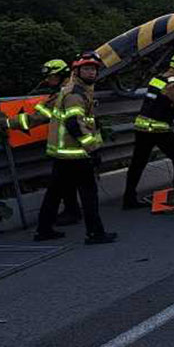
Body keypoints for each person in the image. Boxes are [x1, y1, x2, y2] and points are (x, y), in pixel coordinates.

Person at [36, 52, 118, 244]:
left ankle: (43, 230)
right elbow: (74, 124)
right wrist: (93, 149)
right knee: (89, 194)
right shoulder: (75, 94)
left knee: (54, 192)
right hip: (76, 154)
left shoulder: (76, 90)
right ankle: (95, 233)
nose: (91, 73)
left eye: (94, 69)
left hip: (64, 154)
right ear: (76, 72)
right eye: (87, 69)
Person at [4, 59, 82, 225]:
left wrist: (9, 123)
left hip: (69, 145)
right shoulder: (69, 89)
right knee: (69, 182)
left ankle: (56, 221)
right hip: (72, 144)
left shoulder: (64, 93)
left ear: (61, 75)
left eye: (51, 76)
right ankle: (74, 212)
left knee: (62, 183)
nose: (48, 80)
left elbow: (39, 117)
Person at [122, 52, 174, 210]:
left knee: (137, 163)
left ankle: (129, 198)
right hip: (158, 128)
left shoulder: (158, 79)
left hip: (141, 126)